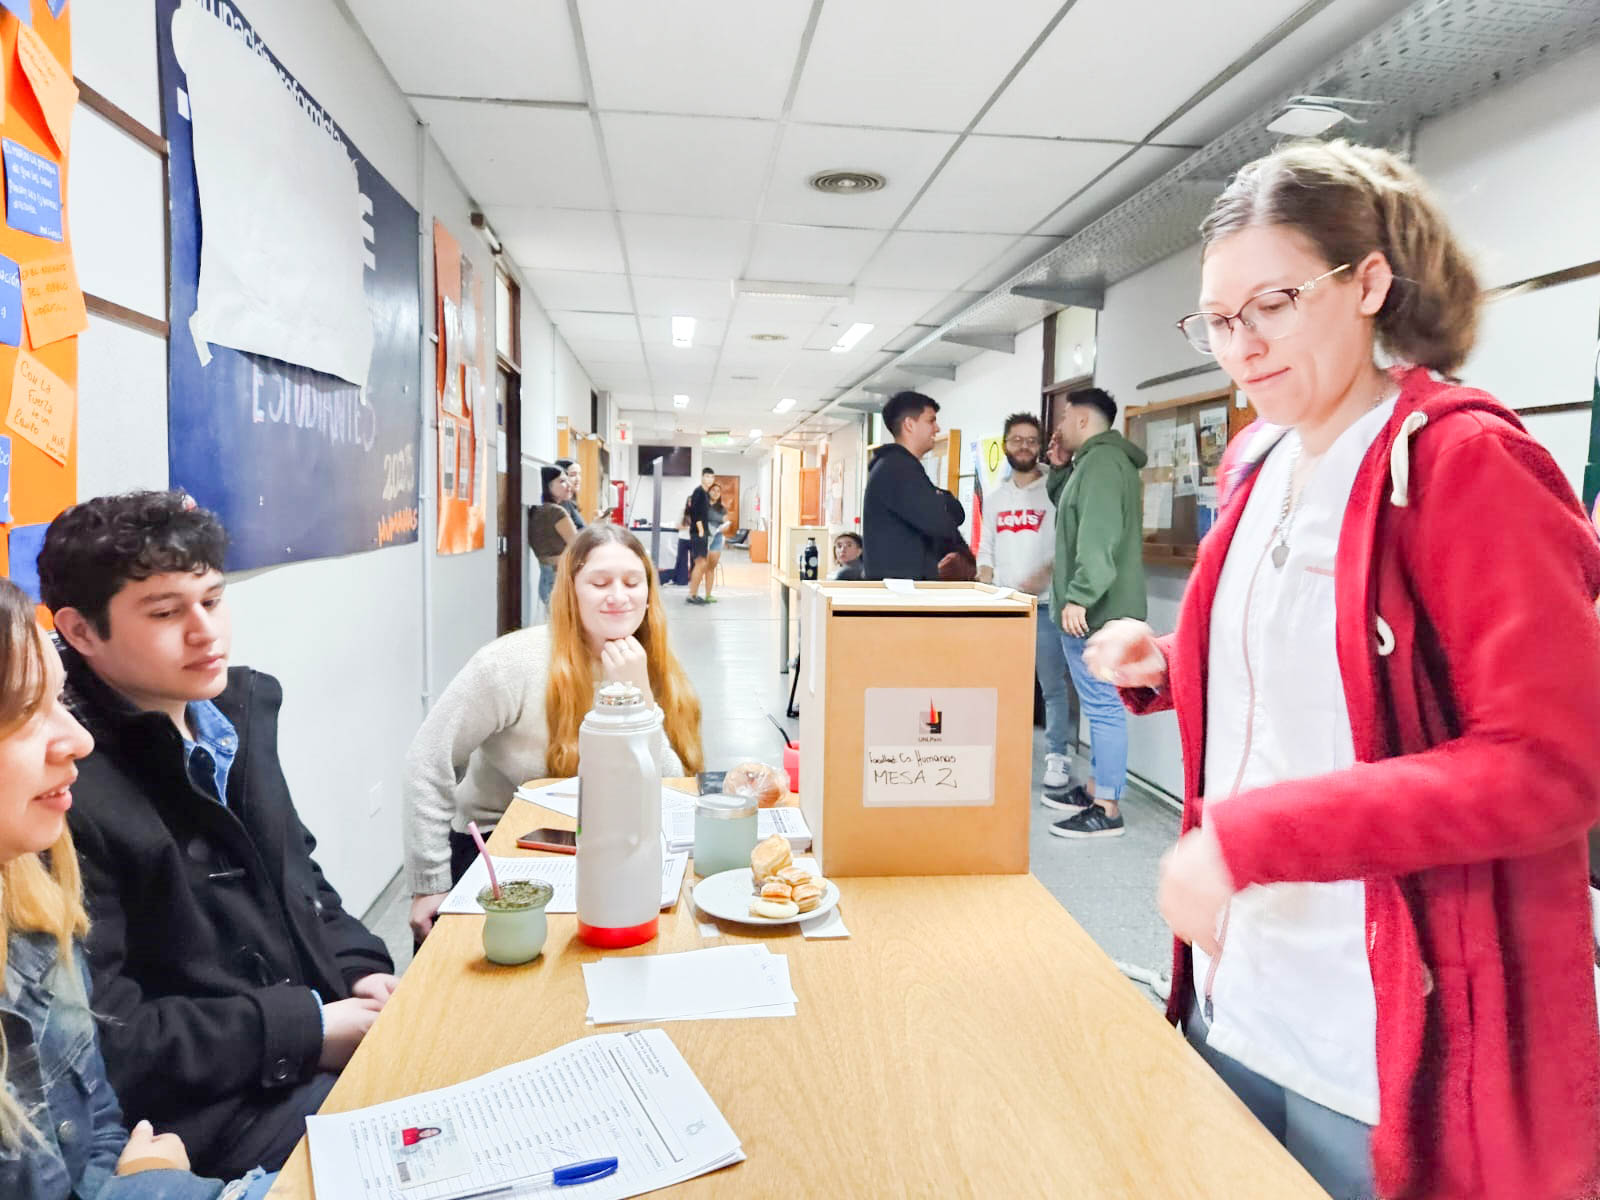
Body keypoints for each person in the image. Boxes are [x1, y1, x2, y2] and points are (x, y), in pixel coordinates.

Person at [1086, 140, 1600, 1200]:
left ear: (1368, 282)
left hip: (1385, 1028)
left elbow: (1549, 763)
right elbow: (1345, 663)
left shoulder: (1463, 464)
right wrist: (1176, 665)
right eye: (1219, 321)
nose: (1242, 347)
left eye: (1272, 303)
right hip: (1240, 983)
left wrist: (1252, 839)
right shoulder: (1258, 461)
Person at [37, 492, 397, 1179]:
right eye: (168, 613)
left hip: (304, 1048)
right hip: (210, 1113)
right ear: (81, 633)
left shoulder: (231, 710)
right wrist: (310, 1029)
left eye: (213, 599)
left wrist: (363, 970)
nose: (207, 632)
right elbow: (113, 1036)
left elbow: (301, 875)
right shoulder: (62, 783)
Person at [0, 578, 276, 1200]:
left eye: (212, 600)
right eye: (23, 715)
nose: (77, 740)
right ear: (84, 631)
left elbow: (94, 1126)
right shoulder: (79, 818)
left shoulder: (30, 896)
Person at [405, 524, 704, 941]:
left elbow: (673, 784)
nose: (619, 596)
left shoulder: (651, 664)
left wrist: (640, 697)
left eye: (633, 583)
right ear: (571, 590)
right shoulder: (511, 663)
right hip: (502, 847)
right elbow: (428, 759)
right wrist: (430, 880)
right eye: (600, 583)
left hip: (608, 845)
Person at [1041, 388, 1146, 838]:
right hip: (1097, 610)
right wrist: (1061, 467)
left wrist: (1080, 594)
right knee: (1101, 705)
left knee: (1104, 707)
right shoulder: (1093, 464)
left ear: (1082, 420)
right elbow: (1073, 512)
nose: (1059, 427)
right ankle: (1095, 787)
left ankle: (1108, 807)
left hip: (1096, 612)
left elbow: (1097, 537)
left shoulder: (1103, 464)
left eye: (1065, 418)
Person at [977, 412, 1077, 792]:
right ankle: (1001, 752)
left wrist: (1046, 575)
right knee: (1001, 684)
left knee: (1052, 685)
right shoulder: (996, 497)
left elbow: (1066, 544)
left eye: (1031, 440)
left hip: (1047, 605)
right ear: (1005, 445)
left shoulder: (1056, 489)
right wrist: (984, 576)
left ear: (1040, 446)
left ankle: (1057, 756)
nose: (1023, 446)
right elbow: (987, 546)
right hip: (1004, 606)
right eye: (1016, 439)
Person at [862, 391, 966, 581]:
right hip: (900, 596)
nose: (937, 428)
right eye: (931, 421)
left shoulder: (899, 467)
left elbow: (956, 512)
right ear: (909, 424)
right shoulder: (897, 468)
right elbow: (941, 524)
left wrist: (940, 500)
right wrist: (941, 501)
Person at [530, 465, 579, 611]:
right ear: (548, 485)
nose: (569, 485)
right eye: (562, 481)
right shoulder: (555, 511)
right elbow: (578, 545)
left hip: (546, 576)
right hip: (558, 577)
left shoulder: (538, 509)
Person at [691, 481, 729, 603]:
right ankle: (693, 594)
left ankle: (708, 595)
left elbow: (726, 524)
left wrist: (725, 526)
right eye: (713, 490)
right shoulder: (703, 505)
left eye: (718, 491)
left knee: (711, 567)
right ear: (709, 491)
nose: (716, 493)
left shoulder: (722, 509)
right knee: (701, 566)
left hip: (717, 539)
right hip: (704, 538)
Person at [685, 467, 715, 605]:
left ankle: (694, 593)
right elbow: (695, 514)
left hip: (702, 533)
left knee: (702, 564)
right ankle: (692, 595)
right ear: (702, 477)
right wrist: (701, 530)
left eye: (712, 477)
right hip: (698, 533)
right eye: (707, 476)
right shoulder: (698, 492)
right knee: (700, 563)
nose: (709, 479)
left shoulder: (706, 494)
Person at [554, 458, 586, 531]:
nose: (578, 479)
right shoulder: (561, 504)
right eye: (572, 475)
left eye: (579, 474)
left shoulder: (569, 502)